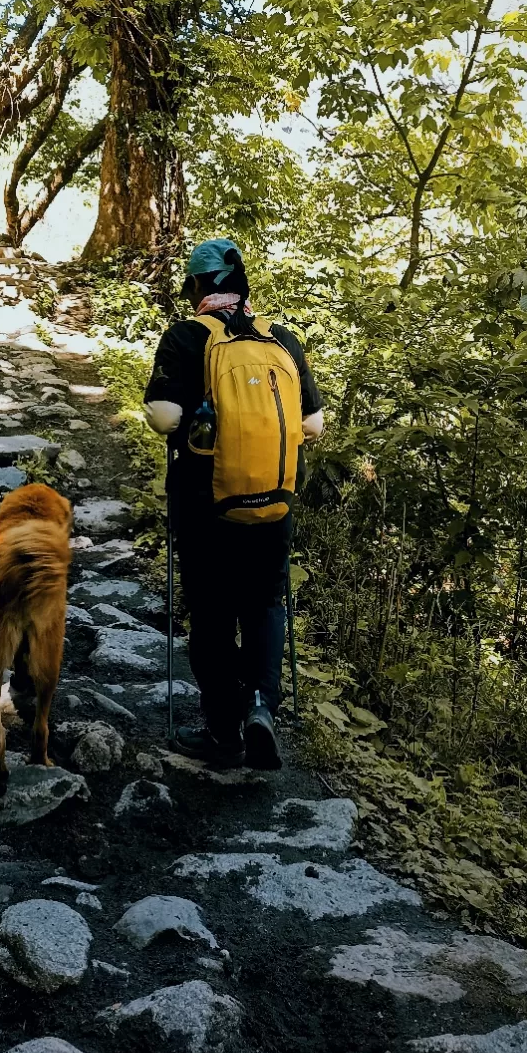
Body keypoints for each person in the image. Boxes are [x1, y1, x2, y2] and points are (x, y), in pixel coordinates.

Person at [142, 238, 324, 769]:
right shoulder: (281, 339)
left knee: (213, 612)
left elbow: (162, 417)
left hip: (207, 504)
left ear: (198, 287)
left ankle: (224, 731)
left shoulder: (186, 337)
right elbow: (312, 423)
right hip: (276, 502)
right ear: (242, 286)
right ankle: (263, 708)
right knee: (266, 602)